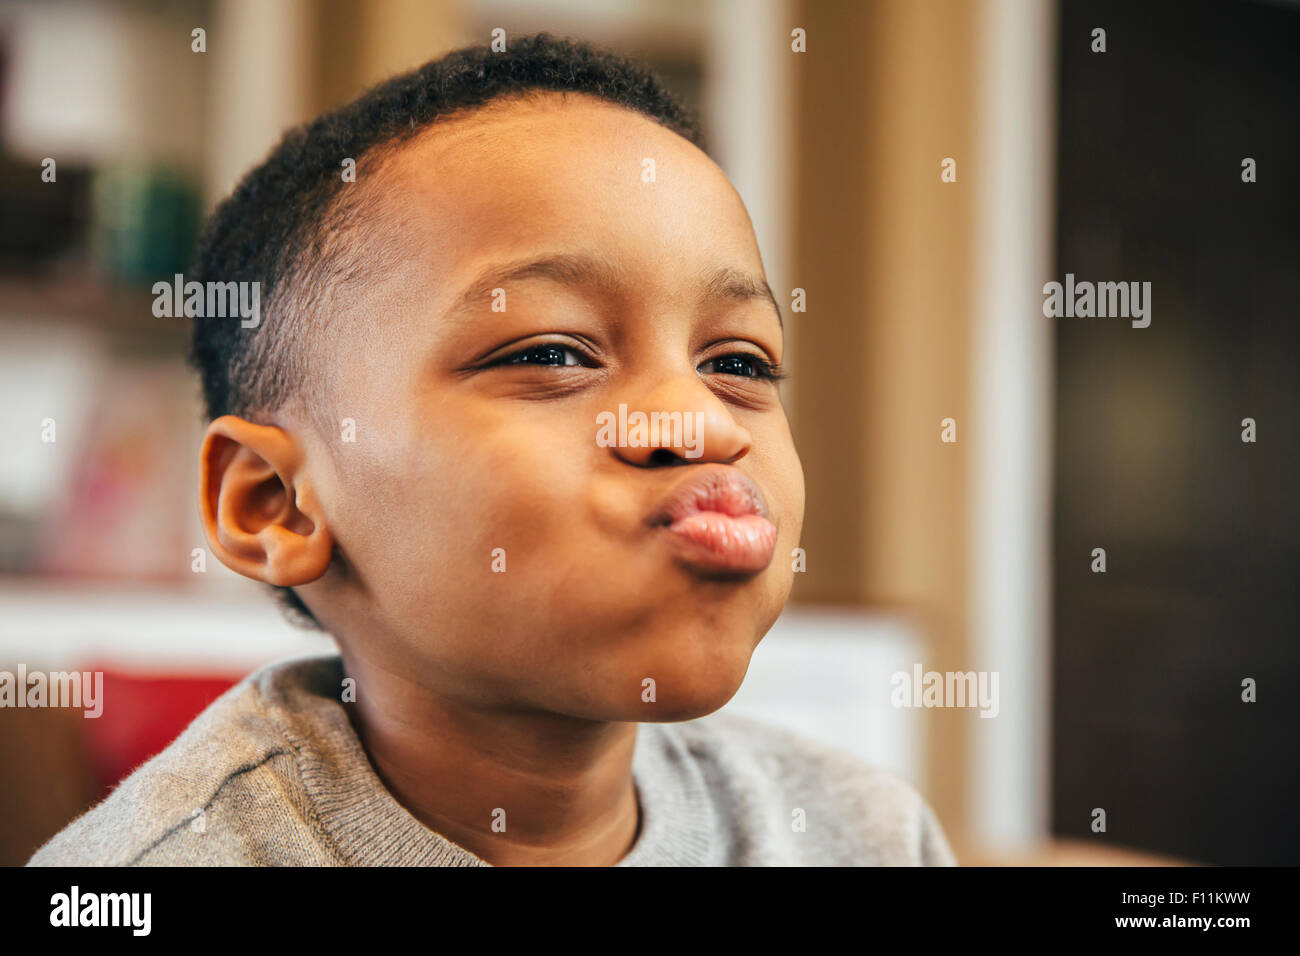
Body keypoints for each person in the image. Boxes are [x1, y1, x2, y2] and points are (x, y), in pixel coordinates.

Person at [29, 33, 956, 867]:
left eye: (738, 360)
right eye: (552, 353)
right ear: (274, 501)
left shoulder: (858, 833)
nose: (703, 424)